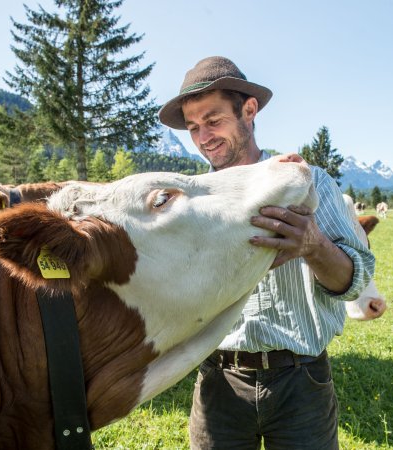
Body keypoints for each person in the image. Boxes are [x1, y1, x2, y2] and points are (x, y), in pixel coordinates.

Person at [158, 56, 375, 450]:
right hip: (218, 382)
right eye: (193, 128)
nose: (203, 136)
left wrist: (313, 245)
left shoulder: (309, 183)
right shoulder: (194, 201)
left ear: (249, 110)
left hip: (301, 382)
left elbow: (354, 280)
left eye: (214, 120)